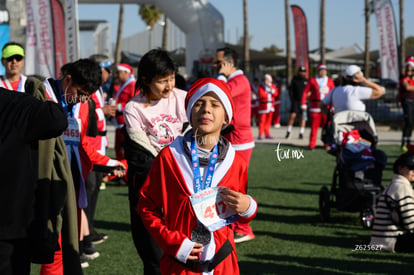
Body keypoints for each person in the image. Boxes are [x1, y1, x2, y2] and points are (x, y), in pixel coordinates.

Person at [137, 77, 258, 274]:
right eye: (199, 103)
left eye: (215, 104)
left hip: (223, 265)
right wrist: (171, 241)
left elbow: (240, 216)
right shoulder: (169, 157)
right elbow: (146, 206)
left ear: (226, 117)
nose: (206, 109)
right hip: (179, 266)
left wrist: (248, 207)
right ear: (189, 113)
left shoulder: (236, 163)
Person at [41, 59, 125, 272]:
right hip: (44, 185)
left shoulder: (84, 104)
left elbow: (83, 145)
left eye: (87, 94)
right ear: (68, 79)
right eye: (80, 92)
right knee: (50, 250)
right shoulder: (41, 93)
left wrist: (111, 163)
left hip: (73, 186)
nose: (83, 99)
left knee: (68, 249)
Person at [123, 49, 188, 275]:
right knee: (154, 258)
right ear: (146, 80)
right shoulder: (133, 108)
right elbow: (143, 153)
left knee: (187, 254)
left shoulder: (184, 99)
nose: (169, 86)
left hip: (184, 189)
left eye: (171, 78)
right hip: (151, 190)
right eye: (162, 81)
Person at [0, 88, 68, 275]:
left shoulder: (16, 104)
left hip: (12, 224)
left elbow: (55, 119)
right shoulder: (17, 103)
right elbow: (56, 118)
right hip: (11, 222)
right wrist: (43, 98)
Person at [214, 46, 255, 243]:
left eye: (219, 63)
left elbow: (221, 93)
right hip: (232, 139)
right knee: (229, 184)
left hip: (239, 140)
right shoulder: (236, 79)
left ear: (229, 63)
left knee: (238, 185)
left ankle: (244, 228)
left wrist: (221, 76)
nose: (216, 66)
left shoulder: (239, 80)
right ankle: (233, 223)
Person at [81, 54, 117, 246]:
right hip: (89, 145)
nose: (109, 74)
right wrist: (101, 111)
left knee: (94, 189)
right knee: (88, 188)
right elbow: (81, 111)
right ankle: (84, 235)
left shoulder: (99, 88)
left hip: (98, 144)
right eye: (106, 69)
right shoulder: (89, 88)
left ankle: (90, 229)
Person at [370, 152, 414, 252]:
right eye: (411, 168)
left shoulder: (395, 184)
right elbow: (411, 222)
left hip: (380, 241)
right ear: (400, 168)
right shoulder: (402, 186)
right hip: (393, 241)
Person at [301, 64, 335, 149]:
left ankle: (326, 144)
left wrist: (334, 105)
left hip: (326, 108)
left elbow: (334, 93)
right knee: (314, 127)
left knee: (327, 126)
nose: (323, 72)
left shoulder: (330, 81)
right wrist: (303, 103)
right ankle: (312, 144)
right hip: (315, 106)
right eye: (321, 70)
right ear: (318, 71)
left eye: (324, 70)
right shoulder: (312, 80)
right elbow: (305, 92)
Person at [112, 63, 136, 172]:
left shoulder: (132, 85)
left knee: (123, 151)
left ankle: (121, 174)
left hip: (125, 123)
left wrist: (119, 106)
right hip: (119, 122)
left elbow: (135, 103)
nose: (116, 75)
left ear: (126, 72)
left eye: (118, 72)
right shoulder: (123, 84)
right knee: (119, 151)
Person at [285, 66, 308, 139]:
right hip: (295, 101)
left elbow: (309, 91)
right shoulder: (294, 80)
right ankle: (288, 131)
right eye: (301, 71)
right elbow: (290, 90)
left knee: (303, 117)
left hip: (304, 102)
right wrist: (292, 99)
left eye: (303, 71)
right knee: (292, 116)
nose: (302, 73)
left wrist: (307, 98)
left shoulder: (307, 81)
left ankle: (301, 132)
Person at [399, 57, 414, 152]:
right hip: (407, 101)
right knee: (408, 120)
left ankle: (408, 141)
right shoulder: (403, 76)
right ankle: (404, 142)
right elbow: (407, 87)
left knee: (412, 122)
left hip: (413, 101)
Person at [257, 74, 277, 140]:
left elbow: (276, 94)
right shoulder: (261, 86)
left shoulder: (272, 86)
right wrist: (269, 95)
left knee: (268, 121)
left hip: (270, 106)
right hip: (264, 106)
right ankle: (260, 134)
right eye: (265, 79)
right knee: (262, 121)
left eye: (267, 79)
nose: (266, 80)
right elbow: (261, 94)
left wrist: (271, 90)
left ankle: (267, 133)